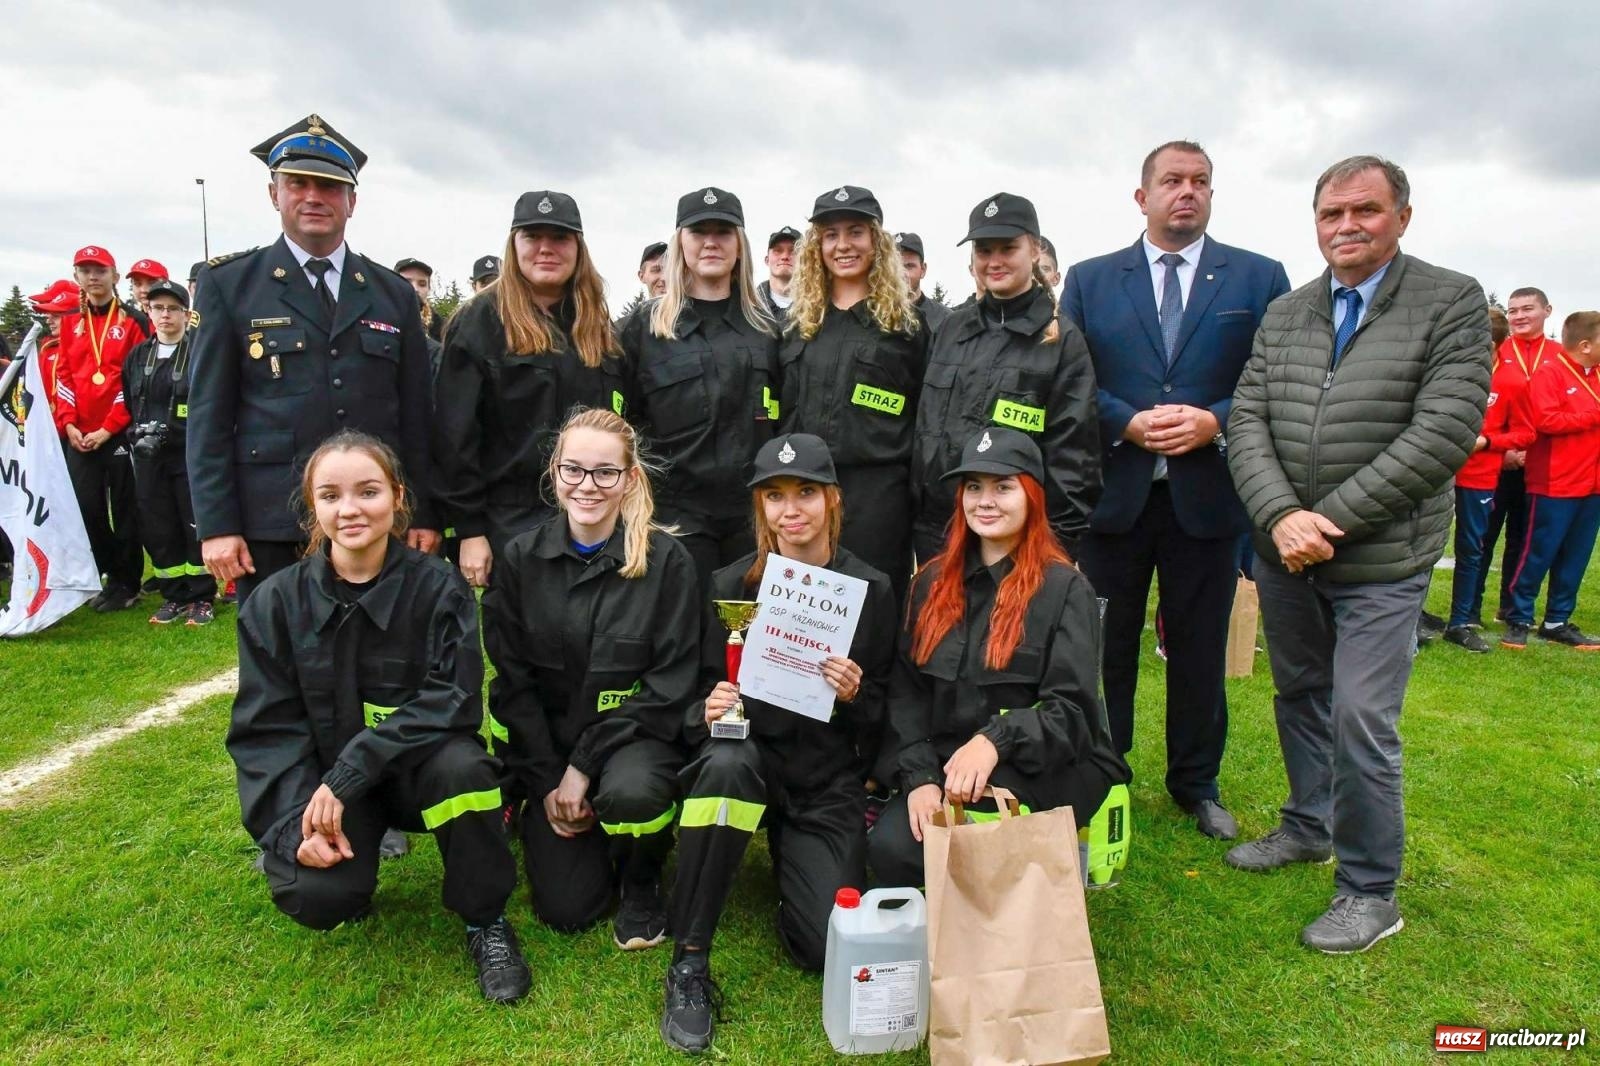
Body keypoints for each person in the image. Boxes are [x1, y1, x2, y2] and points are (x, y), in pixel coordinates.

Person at [1225, 155, 1491, 952]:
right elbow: (1247, 421)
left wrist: (1324, 522)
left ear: (1402, 216)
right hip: (1286, 553)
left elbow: (1443, 432)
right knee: (1301, 693)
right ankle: (1308, 824)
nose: (1347, 226)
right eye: (1332, 213)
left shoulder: (1450, 301)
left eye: (1365, 211)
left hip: (1382, 560)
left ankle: (1371, 890)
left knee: (1362, 717)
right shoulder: (1289, 311)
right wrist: (1279, 516)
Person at [227, 430, 530, 1003]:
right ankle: (352, 869)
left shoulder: (440, 587)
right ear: (312, 506)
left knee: (464, 768)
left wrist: (353, 767)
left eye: (367, 492)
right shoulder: (274, 602)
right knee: (313, 896)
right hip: (337, 796)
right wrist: (293, 829)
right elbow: (265, 730)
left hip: (420, 774)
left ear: (396, 496)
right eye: (331, 495)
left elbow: (456, 700)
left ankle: (485, 920)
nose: (350, 510)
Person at [1062, 140, 1291, 840]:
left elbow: (1273, 376)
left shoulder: (1257, 278)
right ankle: (1105, 771)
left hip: (1208, 498)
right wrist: (1124, 422)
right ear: (1143, 197)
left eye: (1199, 182)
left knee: (1197, 650)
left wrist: (1213, 420)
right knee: (1105, 648)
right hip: (1115, 500)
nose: (1185, 191)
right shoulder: (1091, 279)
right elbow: (1071, 379)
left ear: (1211, 194)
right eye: (1171, 181)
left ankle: (1197, 783)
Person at [661, 433, 898, 1054]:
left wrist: (855, 693)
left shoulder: (869, 588)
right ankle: (689, 956)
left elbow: (885, 714)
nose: (791, 510)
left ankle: (792, 868)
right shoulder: (727, 584)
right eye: (774, 496)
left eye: (805, 494)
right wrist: (706, 709)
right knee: (727, 764)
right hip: (747, 760)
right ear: (759, 508)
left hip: (823, 779)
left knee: (822, 948)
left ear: (833, 500)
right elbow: (687, 694)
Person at [187, 113, 439, 604]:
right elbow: (208, 415)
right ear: (273, 194)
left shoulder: (391, 293)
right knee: (279, 661)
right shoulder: (230, 286)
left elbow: (416, 417)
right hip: (275, 519)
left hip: (374, 517)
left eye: (329, 186)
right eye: (297, 183)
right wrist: (218, 525)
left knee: (379, 654)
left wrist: (424, 512)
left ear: (352, 201)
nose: (313, 197)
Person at [869, 427, 1130, 888]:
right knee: (894, 850)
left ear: (1031, 496)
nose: (985, 501)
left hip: (1046, 761)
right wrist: (920, 778)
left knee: (979, 846)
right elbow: (906, 691)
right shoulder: (930, 582)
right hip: (949, 762)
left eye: (1003, 487)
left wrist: (995, 740)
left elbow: (1073, 712)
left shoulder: (1065, 588)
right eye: (974, 487)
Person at [481, 408, 697, 950]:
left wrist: (585, 765)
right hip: (550, 758)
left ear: (629, 480)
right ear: (555, 472)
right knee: (568, 910)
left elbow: (670, 685)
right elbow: (513, 685)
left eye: (606, 473)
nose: (588, 486)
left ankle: (642, 875)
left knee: (631, 791)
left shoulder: (667, 563)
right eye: (574, 469)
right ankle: (559, 827)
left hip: (633, 745)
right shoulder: (519, 560)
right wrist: (550, 781)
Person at [433, 189, 629, 587]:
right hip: (511, 516)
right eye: (532, 237)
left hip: (592, 510)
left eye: (559, 238)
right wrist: (470, 530)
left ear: (578, 247)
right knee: (523, 642)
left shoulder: (596, 325)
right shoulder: (478, 322)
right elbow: (455, 435)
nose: (545, 249)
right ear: (513, 244)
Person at [910, 192, 1100, 563]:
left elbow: (1075, 460)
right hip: (939, 535)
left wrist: (1055, 550)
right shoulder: (950, 329)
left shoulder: (1061, 340)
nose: (994, 261)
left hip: (1019, 543)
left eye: (1007, 248)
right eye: (983, 250)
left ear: (1034, 250)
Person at [619, 187, 779, 592]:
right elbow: (622, 424)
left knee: (750, 640)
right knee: (683, 638)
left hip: (752, 517)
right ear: (680, 244)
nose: (711, 242)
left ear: (739, 245)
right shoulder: (644, 329)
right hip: (674, 517)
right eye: (698, 232)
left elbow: (783, 418)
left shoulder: (768, 330)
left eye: (723, 232)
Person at [778, 187, 926, 601]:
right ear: (816, 247)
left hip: (878, 497)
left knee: (875, 609)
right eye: (831, 234)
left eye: (855, 232)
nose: (843, 245)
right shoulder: (795, 327)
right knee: (804, 614)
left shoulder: (908, 328)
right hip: (805, 492)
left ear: (876, 241)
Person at [55, 244, 150, 611]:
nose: (92, 277)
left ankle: (128, 582)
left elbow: (135, 381)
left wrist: (108, 428)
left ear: (114, 275)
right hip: (79, 434)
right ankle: (107, 572)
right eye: (85, 270)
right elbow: (63, 375)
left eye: (100, 270)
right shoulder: (68, 322)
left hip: (118, 433)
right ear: (76, 276)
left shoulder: (132, 322)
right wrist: (70, 424)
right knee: (85, 507)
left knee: (126, 509)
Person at [1443, 303, 1540, 651]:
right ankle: (1415, 616)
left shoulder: (1512, 380)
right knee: (1422, 544)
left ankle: (1461, 620)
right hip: (1436, 470)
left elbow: (1527, 434)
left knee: (1471, 548)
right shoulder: (1447, 369)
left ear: (1495, 345)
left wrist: (1486, 442)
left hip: (1479, 476)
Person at [1500, 312, 1600, 650]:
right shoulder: (1550, 373)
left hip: (1592, 484)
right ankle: (1517, 617)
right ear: (1585, 345)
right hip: (1555, 481)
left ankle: (1557, 619)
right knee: (1538, 552)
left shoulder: (1597, 374)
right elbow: (1546, 420)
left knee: (1577, 555)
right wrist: (1594, 415)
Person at [122, 279, 216, 625]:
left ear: (186, 314)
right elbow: (130, 400)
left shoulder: (198, 353)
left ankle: (201, 596)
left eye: (173, 308)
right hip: (149, 457)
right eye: (158, 308)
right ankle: (173, 594)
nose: (165, 315)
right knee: (158, 526)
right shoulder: (138, 355)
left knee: (192, 523)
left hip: (187, 454)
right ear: (149, 312)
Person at [1478, 288, 1557, 624]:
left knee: (1522, 537)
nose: (1519, 316)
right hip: (1495, 459)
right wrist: (1505, 448)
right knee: (1483, 535)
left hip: (1538, 461)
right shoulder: (1496, 349)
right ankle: (1469, 606)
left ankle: (1509, 607)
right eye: (1513, 311)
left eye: (1528, 309)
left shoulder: (1559, 354)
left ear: (1547, 311)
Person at [27, 279, 80, 417]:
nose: (47, 318)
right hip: (50, 421)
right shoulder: (47, 346)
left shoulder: (85, 346)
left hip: (72, 427)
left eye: (55, 314)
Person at [895, 231, 951, 335]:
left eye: (909, 266)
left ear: (923, 270)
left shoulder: (945, 319)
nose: (901, 274)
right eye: (894, 267)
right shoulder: (873, 316)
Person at [758, 225, 800, 324]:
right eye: (778, 251)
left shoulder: (819, 308)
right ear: (767, 260)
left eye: (793, 251)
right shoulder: (749, 306)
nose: (785, 256)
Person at [394, 257, 443, 342]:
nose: (415, 288)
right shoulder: (380, 317)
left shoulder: (442, 328)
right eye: (406, 282)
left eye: (422, 284)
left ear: (429, 289)